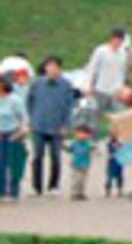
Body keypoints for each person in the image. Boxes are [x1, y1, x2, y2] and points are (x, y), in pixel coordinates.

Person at [26, 57, 76, 196]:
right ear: (46, 68)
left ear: (60, 69)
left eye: (55, 67)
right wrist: (31, 118)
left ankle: (53, 185)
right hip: (39, 125)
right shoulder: (37, 83)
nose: (52, 70)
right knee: (37, 156)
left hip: (57, 126)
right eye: (49, 67)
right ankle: (36, 187)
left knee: (56, 156)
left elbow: (70, 106)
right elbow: (29, 101)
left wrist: (66, 125)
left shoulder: (66, 85)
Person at [83, 26, 129, 109]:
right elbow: (92, 69)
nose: (119, 43)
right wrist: (88, 85)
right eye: (117, 40)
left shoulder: (123, 53)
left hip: (116, 92)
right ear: (111, 38)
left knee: (120, 113)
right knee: (96, 115)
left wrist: (121, 87)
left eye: (121, 40)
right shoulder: (101, 51)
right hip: (101, 90)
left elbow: (122, 72)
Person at [0, 69, 23, 201]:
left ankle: (14, 191)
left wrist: (21, 131)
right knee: (0, 164)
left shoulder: (15, 100)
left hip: (13, 134)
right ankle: (1, 191)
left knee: (14, 164)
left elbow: (23, 119)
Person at [65, 121, 94, 200]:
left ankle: (81, 193)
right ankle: (74, 193)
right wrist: (64, 146)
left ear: (88, 135)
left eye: (83, 133)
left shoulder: (88, 143)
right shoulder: (74, 143)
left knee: (83, 180)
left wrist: (92, 149)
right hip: (75, 164)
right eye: (78, 133)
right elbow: (69, 149)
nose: (80, 135)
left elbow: (92, 148)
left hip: (85, 165)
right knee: (76, 179)